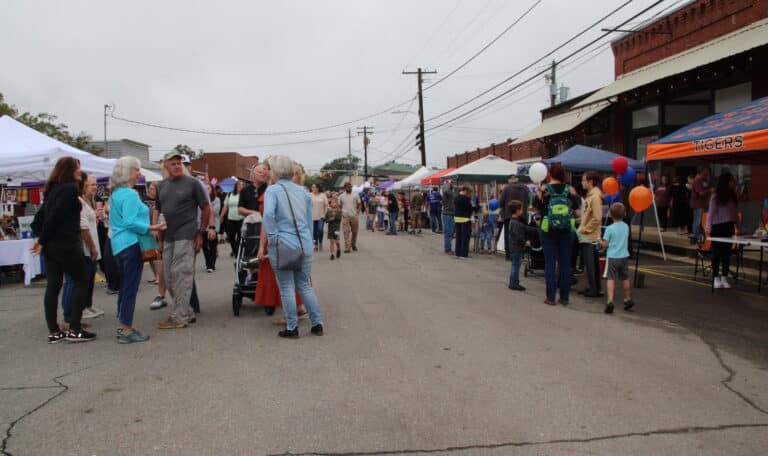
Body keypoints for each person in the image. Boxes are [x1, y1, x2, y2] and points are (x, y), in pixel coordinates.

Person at [31, 157, 97, 343]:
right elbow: (55, 216)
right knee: (81, 280)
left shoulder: (52, 191)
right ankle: (75, 327)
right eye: (77, 167)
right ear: (69, 170)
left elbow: (38, 219)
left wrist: (42, 239)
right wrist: (42, 239)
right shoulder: (69, 189)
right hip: (66, 243)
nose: (79, 171)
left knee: (54, 285)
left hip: (52, 247)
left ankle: (54, 331)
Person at [262, 156, 324, 338]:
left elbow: (268, 216)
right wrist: (309, 240)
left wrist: (273, 237)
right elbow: (308, 220)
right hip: (304, 242)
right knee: (304, 285)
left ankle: (292, 327)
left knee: (286, 286)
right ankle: (317, 324)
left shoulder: (272, 190)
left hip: (284, 244)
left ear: (275, 171)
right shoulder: (303, 191)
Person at [110, 156, 167, 343]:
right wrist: (153, 227)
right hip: (130, 244)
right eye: (136, 169)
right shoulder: (129, 194)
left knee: (125, 286)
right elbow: (130, 221)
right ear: (128, 172)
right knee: (130, 287)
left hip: (118, 245)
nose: (139, 173)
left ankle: (122, 324)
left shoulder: (116, 193)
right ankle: (126, 328)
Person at [154, 152, 212, 329]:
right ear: (166, 166)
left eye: (179, 163)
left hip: (186, 234)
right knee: (168, 277)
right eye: (173, 163)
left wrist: (201, 232)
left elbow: (206, 208)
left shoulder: (192, 183)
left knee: (182, 275)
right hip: (168, 235)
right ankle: (187, 312)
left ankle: (179, 317)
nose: (177, 166)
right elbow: (159, 211)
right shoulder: (161, 186)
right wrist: (159, 237)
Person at [61, 172, 105, 326]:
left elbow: (89, 225)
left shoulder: (85, 202)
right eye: (91, 184)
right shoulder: (78, 202)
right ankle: (70, 316)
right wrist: (92, 247)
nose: (94, 187)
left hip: (85, 248)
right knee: (74, 282)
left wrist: (97, 217)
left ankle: (79, 311)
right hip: (81, 249)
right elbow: (83, 227)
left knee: (83, 281)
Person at [536, 164, 581, 306]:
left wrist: (539, 197)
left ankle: (550, 297)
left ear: (550, 174)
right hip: (567, 230)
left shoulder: (544, 190)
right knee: (565, 264)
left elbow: (536, 209)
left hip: (548, 229)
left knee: (550, 263)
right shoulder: (570, 190)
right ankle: (564, 297)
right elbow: (578, 213)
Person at [706, 172, 739, 290]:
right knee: (716, 253)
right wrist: (708, 228)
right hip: (717, 227)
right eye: (731, 180)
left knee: (726, 254)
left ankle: (724, 277)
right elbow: (711, 213)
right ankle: (716, 277)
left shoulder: (732, 196)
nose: (733, 182)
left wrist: (739, 227)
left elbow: (734, 214)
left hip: (728, 227)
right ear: (726, 182)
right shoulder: (716, 196)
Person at [600, 202, 633, 314]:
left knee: (610, 279)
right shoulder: (626, 226)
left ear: (610, 214)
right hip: (624, 256)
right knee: (625, 278)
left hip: (612, 257)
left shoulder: (609, 228)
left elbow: (605, 244)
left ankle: (610, 301)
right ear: (624, 214)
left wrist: (599, 240)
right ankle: (628, 298)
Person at [577, 172, 604, 298]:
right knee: (592, 263)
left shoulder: (595, 197)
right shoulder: (591, 196)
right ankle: (594, 287)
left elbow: (597, 218)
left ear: (590, 181)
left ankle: (594, 288)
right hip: (588, 235)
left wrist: (585, 229)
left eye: (584, 180)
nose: (582, 182)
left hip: (590, 236)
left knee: (590, 263)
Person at [507, 200, 539, 290]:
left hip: (514, 247)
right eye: (521, 209)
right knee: (516, 266)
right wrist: (526, 242)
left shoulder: (514, 221)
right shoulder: (516, 223)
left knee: (515, 265)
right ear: (517, 211)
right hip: (516, 248)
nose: (522, 211)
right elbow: (518, 237)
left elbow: (525, 228)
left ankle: (514, 282)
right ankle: (514, 284)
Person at [498, 175, 529, 260]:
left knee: (508, 235)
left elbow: (501, 202)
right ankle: (521, 255)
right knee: (521, 234)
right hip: (522, 215)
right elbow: (528, 201)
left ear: (509, 180)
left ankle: (509, 255)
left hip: (509, 215)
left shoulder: (506, 188)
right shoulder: (525, 188)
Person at [221, 180, 245, 257]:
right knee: (231, 236)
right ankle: (235, 250)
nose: (241, 186)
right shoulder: (229, 194)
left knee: (240, 237)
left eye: (243, 184)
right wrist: (221, 216)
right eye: (239, 184)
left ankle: (237, 252)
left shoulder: (244, 195)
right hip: (231, 219)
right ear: (236, 186)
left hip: (241, 219)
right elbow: (225, 206)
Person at [690, 166, 712, 242]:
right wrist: (710, 190)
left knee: (702, 220)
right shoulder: (697, 180)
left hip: (704, 204)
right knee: (698, 221)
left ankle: (700, 236)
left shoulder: (704, 180)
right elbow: (700, 193)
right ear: (702, 171)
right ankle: (697, 236)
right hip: (698, 204)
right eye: (706, 170)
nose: (708, 172)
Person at [202, 182, 221, 272]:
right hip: (204, 226)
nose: (207, 190)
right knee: (205, 246)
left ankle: (212, 265)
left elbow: (215, 211)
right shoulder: (201, 199)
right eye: (205, 188)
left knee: (213, 246)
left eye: (208, 188)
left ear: (212, 189)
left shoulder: (216, 200)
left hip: (214, 225)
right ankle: (208, 263)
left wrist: (207, 208)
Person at [338, 182, 361, 253]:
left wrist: (357, 213)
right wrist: (342, 212)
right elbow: (339, 205)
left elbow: (359, 204)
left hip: (354, 216)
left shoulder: (356, 195)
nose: (349, 188)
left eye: (350, 187)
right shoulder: (341, 196)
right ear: (345, 188)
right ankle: (347, 247)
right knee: (346, 232)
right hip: (345, 216)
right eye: (348, 187)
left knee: (354, 232)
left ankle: (353, 244)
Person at [454, 186, 474, 259]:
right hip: (465, 219)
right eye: (469, 192)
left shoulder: (456, 197)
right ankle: (463, 254)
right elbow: (469, 209)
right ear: (465, 190)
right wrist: (476, 207)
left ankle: (457, 253)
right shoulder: (466, 198)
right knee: (465, 237)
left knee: (458, 237)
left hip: (457, 218)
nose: (469, 194)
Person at [310, 183, 328, 251]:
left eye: (314, 187)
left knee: (320, 230)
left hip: (321, 216)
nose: (312, 188)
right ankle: (315, 244)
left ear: (317, 188)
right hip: (312, 216)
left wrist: (325, 213)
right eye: (312, 187)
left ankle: (320, 241)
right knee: (314, 231)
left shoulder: (323, 195)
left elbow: (326, 205)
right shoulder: (310, 195)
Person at [441, 184, 456, 253]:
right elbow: (446, 190)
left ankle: (448, 247)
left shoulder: (450, 194)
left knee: (451, 232)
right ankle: (448, 249)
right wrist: (449, 185)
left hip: (451, 214)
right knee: (448, 232)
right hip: (447, 214)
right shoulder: (447, 193)